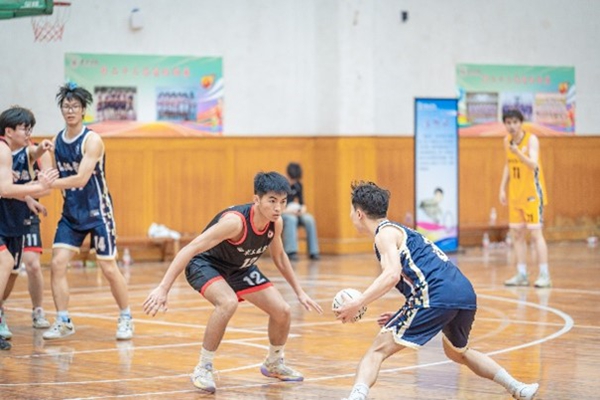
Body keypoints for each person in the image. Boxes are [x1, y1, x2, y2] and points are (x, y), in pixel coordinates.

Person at [337, 181, 539, 400]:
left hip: (436, 295)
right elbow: (421, 276)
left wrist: (359, 302)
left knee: (376, 351)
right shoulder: (402, 231)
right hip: (463, 292)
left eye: (351, 210)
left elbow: (392, 275)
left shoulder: (383, 235)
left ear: (359, 214)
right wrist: (403, 313)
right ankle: (518, 388)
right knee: (459, 353)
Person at [143, 171, 323, 394]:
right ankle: (203, 367)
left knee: (282, 311)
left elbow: (279, 257)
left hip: (240, 267)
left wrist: (300, 292)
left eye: (283, 202)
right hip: (205, 264)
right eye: (272, 201)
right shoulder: (234, 223)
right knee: (227, 302)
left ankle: (274, 363)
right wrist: (163, 288)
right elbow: (191, 248)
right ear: (256, 199)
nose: (278, 208)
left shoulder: (276, 223)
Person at [42, 82, 134, 341]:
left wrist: (48, 184)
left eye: (75, 106)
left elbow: (81, 179)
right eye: (66, 106)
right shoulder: (57, 141)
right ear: (61, 110)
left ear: (83, 110)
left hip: (98, 213)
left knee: (108, 268)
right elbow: (48, 172)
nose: (70, 110)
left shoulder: (92, 140)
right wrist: (40, 159)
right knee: (57, 263)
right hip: (71, 214)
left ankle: (126, 316)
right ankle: (63, 321)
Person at [0, 106, 58, 350]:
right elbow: (4, 189)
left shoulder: (18, 150)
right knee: (5, 263)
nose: (28, 133)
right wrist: (37, 187)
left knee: (11, 268)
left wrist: (29, 198)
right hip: (5, 216)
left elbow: (33, 155)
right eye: (24, 128)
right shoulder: (3, 149)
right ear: (8, 131)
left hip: (14, 217)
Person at [499, 109, 551, 288]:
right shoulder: (506, 141)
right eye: (508, 123)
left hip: (532, 194)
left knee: (536, 234)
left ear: (521, 123)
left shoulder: (531, 140)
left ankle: (544, 275)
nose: (511, 126)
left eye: (515, 122)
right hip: (515, 194)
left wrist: (518, 153)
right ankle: (522, 274)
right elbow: (508, 165)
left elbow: (534, 165)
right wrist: (502, 188)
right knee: (517, 234)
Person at [281, 162, 320, 261]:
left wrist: (302, 210)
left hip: (294, 211)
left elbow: (302, 203)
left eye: (295, 180)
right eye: (291, 179)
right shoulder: (280, 185)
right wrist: (287, 211)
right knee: (291, 219)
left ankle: (313, 251)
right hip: (283, 212)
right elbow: (277, 206)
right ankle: (291, 251)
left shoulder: (298, 185)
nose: (292, 182)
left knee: (309, 219)